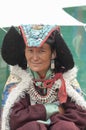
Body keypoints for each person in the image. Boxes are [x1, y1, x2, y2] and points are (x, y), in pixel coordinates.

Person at [1, 24, 86, 130]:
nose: (35, 58)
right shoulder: (19, 79)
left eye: (42, 51)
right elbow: (13, 118)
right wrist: (50, 109)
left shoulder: (64, 78)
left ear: (53, 54)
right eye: (30, 51)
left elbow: (80, 116)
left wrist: (51, 123)